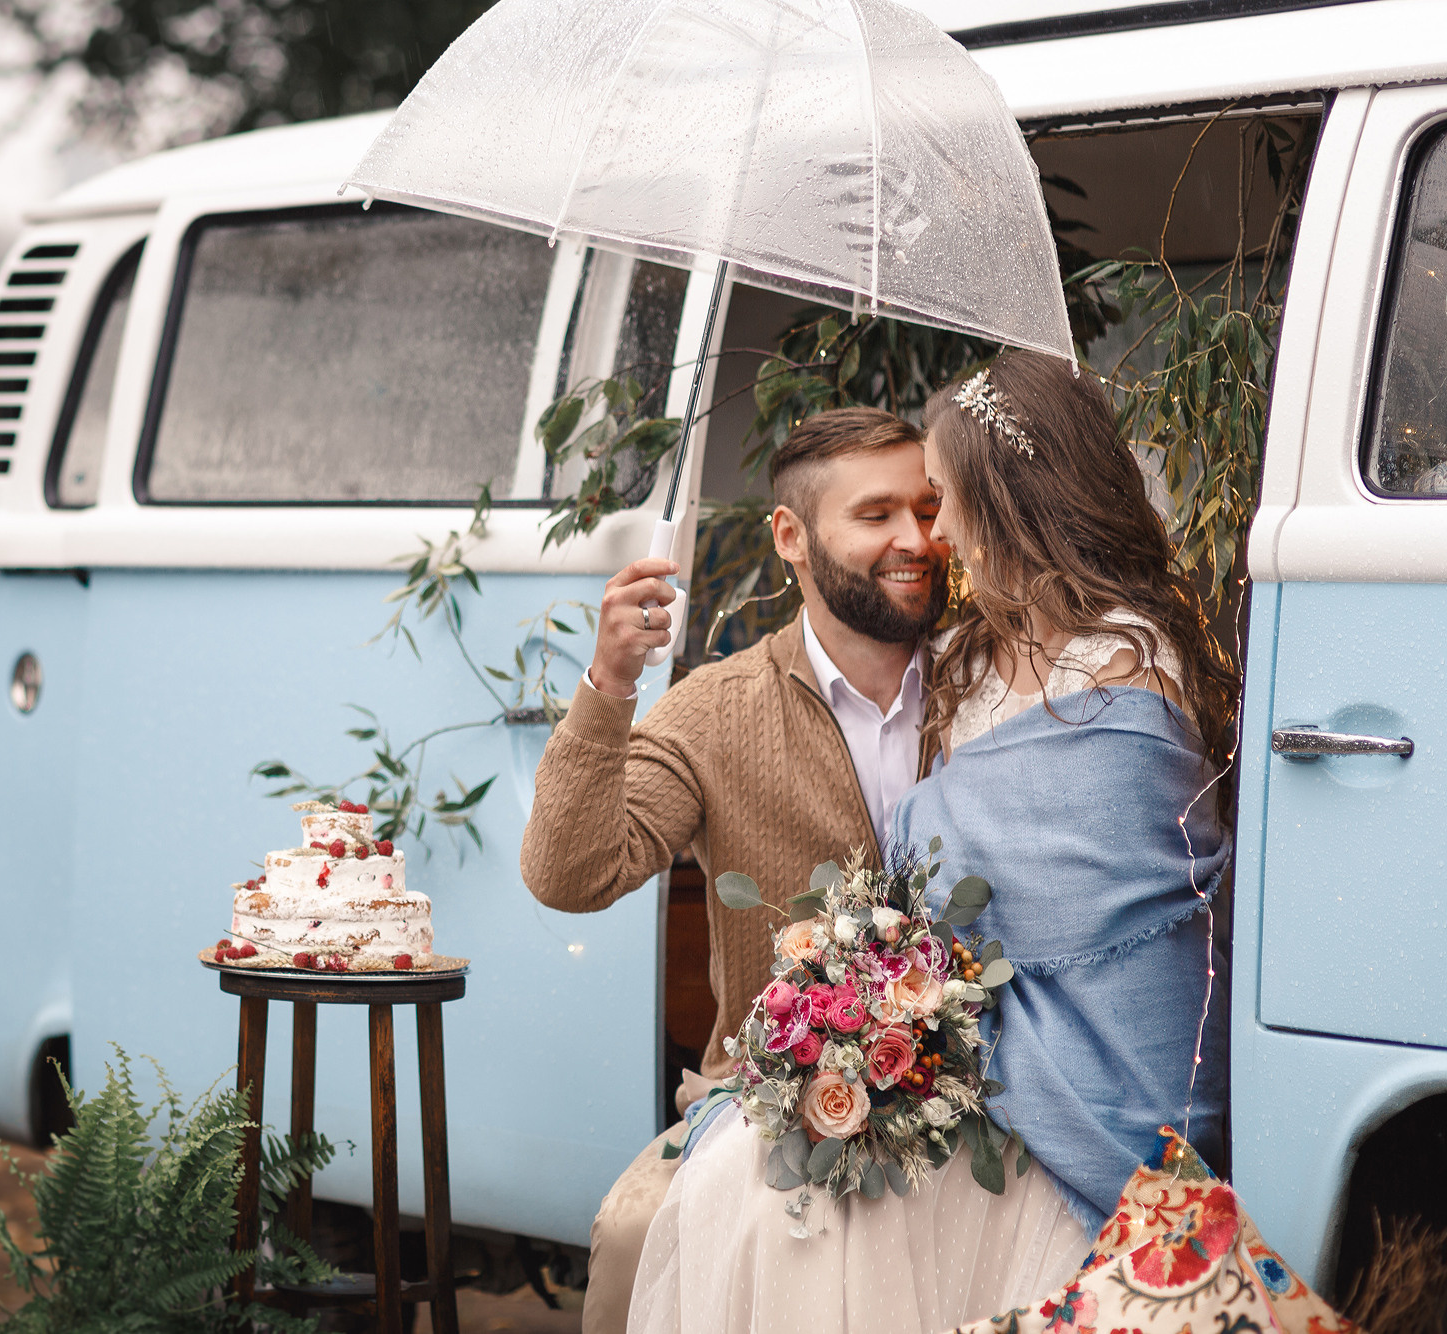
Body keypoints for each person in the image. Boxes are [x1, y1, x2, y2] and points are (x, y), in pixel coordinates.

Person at [626, 350, 1236, 1333]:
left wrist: (907, 1016)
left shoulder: (1125, 661)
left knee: (799, 1211)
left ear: (1004, 504)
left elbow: (1068, 916)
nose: (932, 531)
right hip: (964, 1060)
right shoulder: (971, 658)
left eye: (940, 501)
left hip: (1077, 1085)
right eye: (894, 511)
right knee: (749, 1188)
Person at [520, 406, 950, 1334]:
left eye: (926, 509)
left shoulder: (998, 681)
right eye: (876, 516)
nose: (914, 540)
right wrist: (609, 688)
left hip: (974, 1099)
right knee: (637, 1236)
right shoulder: (714, 707)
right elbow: (570, 873)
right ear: (791, 537)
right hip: (761, 1104)